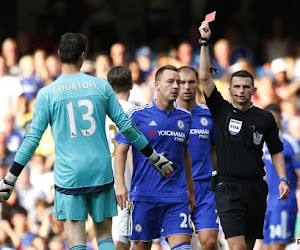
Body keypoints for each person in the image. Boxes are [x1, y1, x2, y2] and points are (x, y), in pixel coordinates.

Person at [0, 32, 176, 250]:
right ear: (82, 56)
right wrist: (154, 157)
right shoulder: (101, 87)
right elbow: (127, 127)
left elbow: (32, 139)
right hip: (100, 171)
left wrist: (10, 178)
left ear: (59, 54)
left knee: (76, 243)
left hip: (69, 176)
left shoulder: (47, 94)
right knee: (104, 239)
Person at [198, 21, 290, 250]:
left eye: (245, 87)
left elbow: (276, 150)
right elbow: (204, 78)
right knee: (237, 247)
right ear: (230, 90)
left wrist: (283, 179)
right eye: (236, 87)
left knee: (248, 247)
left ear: (253, 90)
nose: (240, 91)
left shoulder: (265, 118)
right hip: (227, 188)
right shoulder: (221, 110)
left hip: (256, 189)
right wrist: (204, 42)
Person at [114, 65, 195, 250]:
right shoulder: (138, 115)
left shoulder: (185, 117)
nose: (176, 86)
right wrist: (120, 184)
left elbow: (185, 154)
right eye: (170, 82)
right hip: (144, 195)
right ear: (157, 85)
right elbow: (121, 150)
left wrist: (191, 190)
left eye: (179, 82)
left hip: (176, 196)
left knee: (183, 247)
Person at [176, 66, 219, 250]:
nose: (186, 87)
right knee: (182, 245)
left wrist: (220, 178)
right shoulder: (167, 115)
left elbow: (214, 150)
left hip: (205, 187)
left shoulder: (208, 114)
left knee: (209, 242)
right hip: (177, 188)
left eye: (191, 82)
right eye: (181, 82)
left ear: (198, 84)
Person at [260, 104, 300, 250]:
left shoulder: (291, 143)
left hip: (283, 203)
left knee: (277, 246)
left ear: (281, 118)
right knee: (266, 246)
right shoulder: (263, 144)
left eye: (273, 118)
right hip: (267, 203)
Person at [106, 65, 134, 250]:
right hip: (125, 179)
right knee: (121, 238)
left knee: (105, 235)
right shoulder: (136, 112)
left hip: (101, 177)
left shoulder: (100, 112)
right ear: (131, 85)